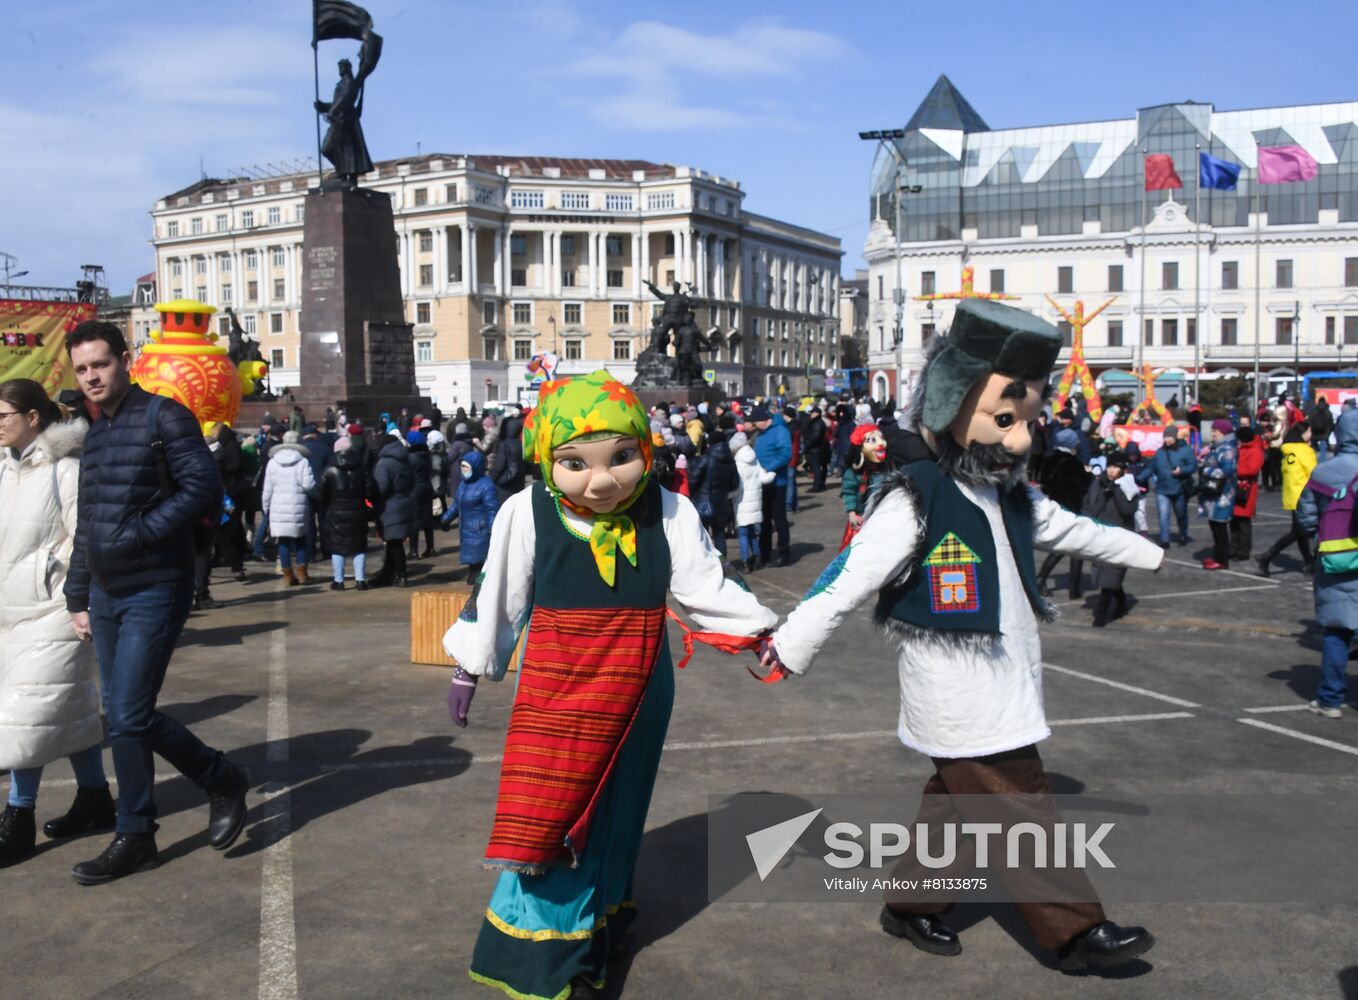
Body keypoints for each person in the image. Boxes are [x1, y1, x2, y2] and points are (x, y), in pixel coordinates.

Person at [762, 301, 1161, 971]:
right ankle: (1074, 933)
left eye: (1026, 422)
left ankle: (910, 905)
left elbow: (1068, 527)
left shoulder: (1007, 491)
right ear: (954, 408)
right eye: (1006, 420)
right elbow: (850, 575)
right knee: (1018, 798)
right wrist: (792, 641)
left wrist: (1142, 548)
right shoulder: (914, 493)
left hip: (1003, 674)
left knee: (955, 804)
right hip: (956, 685)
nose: (1020, 439)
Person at [443, 370, 776, 1000]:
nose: (604, 480)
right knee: (555, 816)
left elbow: (704, 586)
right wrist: (470, 663)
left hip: (642, 683)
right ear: (547, 459)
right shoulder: (527, 509)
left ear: (644, 449)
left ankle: (604, 922)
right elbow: (502, 592)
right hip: (558, 683)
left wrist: (758, 631)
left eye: (623, 457)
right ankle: (550, 959)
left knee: (621, 808)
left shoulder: (667, 507)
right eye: (575, 462)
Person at [62, 321, 249, 884]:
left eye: (100, 364)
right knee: (122, 720)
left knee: (129, 713)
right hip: (104, 592)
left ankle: (219, 778)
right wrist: (77, 593)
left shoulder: (164, 415)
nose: (92, 376)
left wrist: (141, 534)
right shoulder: (93, 433)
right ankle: (137, 834)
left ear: (125, 361)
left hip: (154, 587)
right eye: (82, 369)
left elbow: (203, 491)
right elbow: (87, 524)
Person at [0, 380, 111, 866]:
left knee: (29, 713)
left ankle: (17, 818)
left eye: (3, 415)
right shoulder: (5, 469)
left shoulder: (65, 469)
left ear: (32, 417)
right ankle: (94, 798)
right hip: (10, 612)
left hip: (55, 610)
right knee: (67, 711)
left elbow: (82, 536)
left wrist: (66, 589)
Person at [1296, 407, 1358, 717]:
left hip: (1336, 559)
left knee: (1337, 631)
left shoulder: (1323, 472)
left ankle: (1330, 700)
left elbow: (1305, 520)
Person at [1083, 450, 1140, 627]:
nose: (1111, 470)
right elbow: (1089, 504)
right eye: (1110, 466)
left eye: (1116, 467)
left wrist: (1116, 490)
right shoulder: (1099, 483)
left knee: (1112, 573)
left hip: (1120, 537)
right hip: (1101, 534)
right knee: (1105, 573)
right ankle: (1121, 603)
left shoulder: (1128, 486)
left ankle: (1100, 615)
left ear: (1123, 469)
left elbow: (1128, 510)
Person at [1036, 428, 1092, 597]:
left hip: (1055, 507)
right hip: (1072, 509)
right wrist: (1088, 476)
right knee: (1075, 547)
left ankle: (1068, 586)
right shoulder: (1073, 464)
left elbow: (1044, 483)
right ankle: (1069, 586)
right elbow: (1081, 487)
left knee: (1070, 546)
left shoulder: (1049, 460)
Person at [1257, 423, 1316, 577]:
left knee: (1300, 532)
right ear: (1303, 434)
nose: (1311, 433)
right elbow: (1315, 473)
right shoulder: (1304, 451)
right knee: (1298, 532)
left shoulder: (1288, 450)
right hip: (1304, 496)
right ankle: (1267, 557)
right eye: (1310, 430)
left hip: (1291, 494)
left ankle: (1310, 562)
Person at [262, 430, 317, 586]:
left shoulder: (272, 462)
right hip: (298, 506)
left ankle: (287, 576)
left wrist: (266, 507)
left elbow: (267, 489)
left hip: (278, 507)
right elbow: (308, 485)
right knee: (300, 541)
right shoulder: (303, 462)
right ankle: (302, 574)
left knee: (283, 542)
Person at [318, 435, 371, 591]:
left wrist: (323, 509)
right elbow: (370, 489)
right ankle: (360, 580)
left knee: (337, 546)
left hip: (336, 511)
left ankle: (339, 580)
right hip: (358, 510)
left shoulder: (329, 470)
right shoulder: (361, 468)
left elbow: (321, 494)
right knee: (359, 546)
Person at [439, 449, 499, 582]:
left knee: (479, 558)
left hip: (480, 529)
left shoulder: (486, 485)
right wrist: (445, 519)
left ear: (475, 467)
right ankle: (474, 574)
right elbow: (456, 504)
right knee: (471, 558)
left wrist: (494, 529)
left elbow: (492, 509)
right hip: (466, 529)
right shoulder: (464, 484)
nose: (464, 470)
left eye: (467, 467)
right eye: (462, 467)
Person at [685, 428, 738, 559]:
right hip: (721, 502)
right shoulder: (730, 459)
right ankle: (723, 563)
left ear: (710, 443)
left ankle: (705, 563)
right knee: (719, 534)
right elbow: (735, 483)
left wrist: (693, 494)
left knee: (702, 535)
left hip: (703, 501)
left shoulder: (706, 459)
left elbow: (693, 480)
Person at [751, 403, 792, 567]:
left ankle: (784, 553)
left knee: (779, 518)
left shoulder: (780, 431)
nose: (754, 426)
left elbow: (785, 454)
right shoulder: (761, 433)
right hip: (763, 482)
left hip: (777, 483)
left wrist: (769, 468)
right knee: (764, 520)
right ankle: (765, 554)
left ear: (763, 420)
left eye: (755, 422)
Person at [1143, 424, 1197, 548]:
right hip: (1162, 489)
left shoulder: (1186, 450)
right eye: (1165, 437)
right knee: (1163, 514)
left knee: (1181, 513)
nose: (1167, 439)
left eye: (1169, 437)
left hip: (1179, 489)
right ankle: (1164, 539)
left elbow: (1193, 466)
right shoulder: (1160, 452)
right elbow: (1151, 467)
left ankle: (1183, 533)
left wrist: (1181, 470)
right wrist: (1138, 478)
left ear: (1175, 437)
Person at [373, 431, 414, 587]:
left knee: (394, 542)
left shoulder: (384, 463)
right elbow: (411, 482)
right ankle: (388, 573)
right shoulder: (405, 459)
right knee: (393, 542)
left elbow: (381, 488)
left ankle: (401, 575)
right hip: (404, 501)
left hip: (389, 505)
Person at [840, 424, 887, 551]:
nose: (881, 443)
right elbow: (848, 492)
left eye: (881, 438)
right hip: (861, 520)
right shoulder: (854, 473)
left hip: (882, 520)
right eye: (872, 440)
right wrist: (852, 512)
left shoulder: (887, 471)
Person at [1200, 419, 1239, 571]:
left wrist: (1207, 471)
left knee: (1220, 527)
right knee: (1215, 525)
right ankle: (1217, 555)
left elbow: (1228, 469)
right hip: (1215, 493)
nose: (1213, 433)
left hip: (1223, 494)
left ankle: (1222, 559)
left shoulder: (1227, 448)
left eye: (1215, 430)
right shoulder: (1218, 447)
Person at [1230, 422, 1266, 561]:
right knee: (1234, 521)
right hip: (1237, 487)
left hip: (1247, 490)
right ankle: (1233, 547)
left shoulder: (1255, 450)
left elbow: (1252, 470)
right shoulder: (1241, 449)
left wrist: (1235, 470)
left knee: (1243, 522)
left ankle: (1243, 550)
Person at [406, 429, 436, 559]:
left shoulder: (410, 457)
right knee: (427, 519)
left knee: (414, 521)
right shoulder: (426, 454)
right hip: (427, 487)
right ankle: (430, 547)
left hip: (415, 490)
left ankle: (413, 550)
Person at [804, 407, 830, 492]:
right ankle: (820, 484)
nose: (811, 414)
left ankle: (817, 485)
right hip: (819, 448)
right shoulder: (817, 422)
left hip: (816, 448)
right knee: (820, 467)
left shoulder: (817, 423)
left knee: (816, 467)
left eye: (812, 413)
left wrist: (808, 444)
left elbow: (816, 436)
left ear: (817, 413)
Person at [1310, 397, 1334, 462]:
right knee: (1325, 453)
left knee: (1313, 452)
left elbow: (1310, 422)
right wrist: (1328, 433)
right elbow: (1331, 424)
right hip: (1325, 435)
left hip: (1314, 434)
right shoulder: (1328, 411)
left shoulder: (1313, 411)